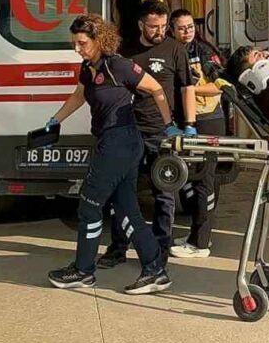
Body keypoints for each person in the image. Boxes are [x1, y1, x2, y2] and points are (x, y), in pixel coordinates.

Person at [42, 15, 176, 294]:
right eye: (74, 43)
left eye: (82, 43)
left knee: (89, 205)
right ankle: (155, 270)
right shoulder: (87, 67)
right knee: (127, 209)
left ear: (98, 40)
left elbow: (155, 88)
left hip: (121, 142)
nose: (77, 48)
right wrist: (55, 120)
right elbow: (79, 96)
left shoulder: (118, 65)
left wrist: (168, 125)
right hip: (110, 141)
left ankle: (83, 271)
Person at [98, 1, 197, 268]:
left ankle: (160, 248)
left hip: (161, 131)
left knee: (164, 192)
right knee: (122, 190)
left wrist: (189, 124)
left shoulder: (175, 49)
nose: (160, 31)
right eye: (154, 26)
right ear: (141, 24)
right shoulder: (124, 49)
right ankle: (118, 247)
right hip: (127, 128)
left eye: (164, 26)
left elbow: (187, 87)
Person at [168, 9, 224, 259]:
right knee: (189, 180)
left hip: (208, 120)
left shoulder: (203, 50)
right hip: (185, 121)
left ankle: (201, 243)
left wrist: (190, 88)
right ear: (172, 30)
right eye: (181, 28)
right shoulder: (172, 50)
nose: (187, 31)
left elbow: (221, 86)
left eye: (190, 26)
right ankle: (196, 235)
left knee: (204, 181)